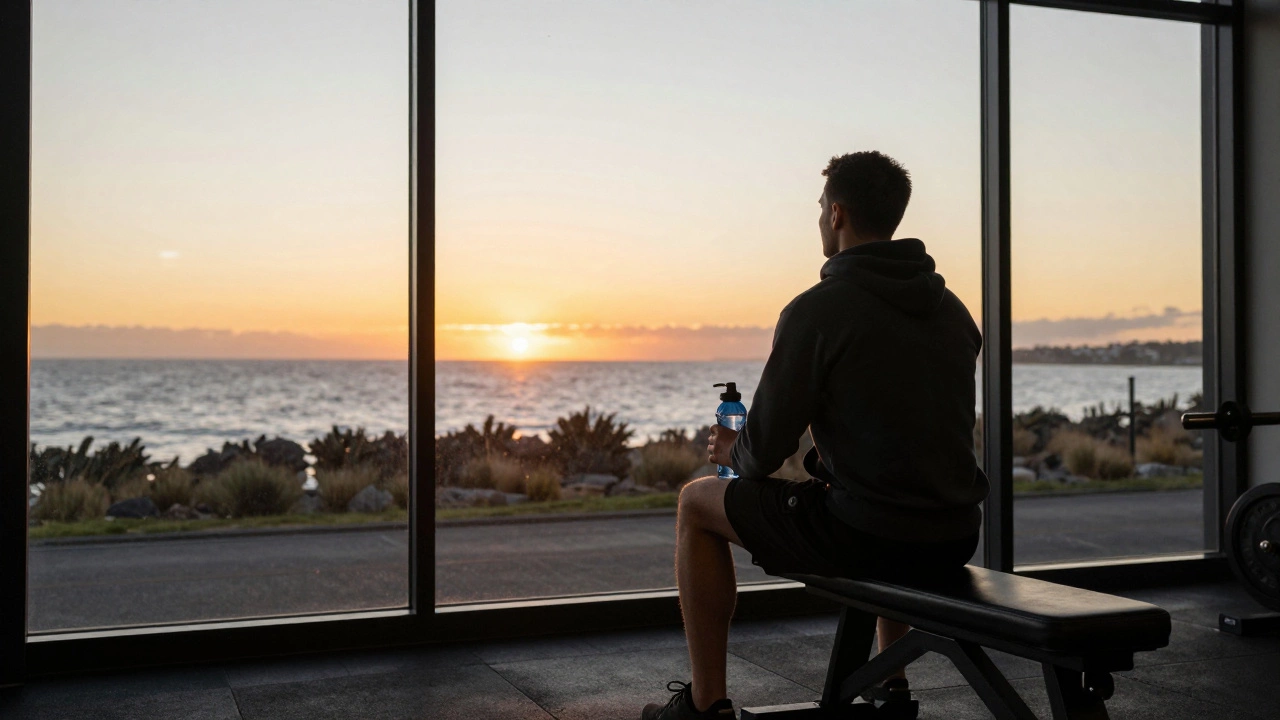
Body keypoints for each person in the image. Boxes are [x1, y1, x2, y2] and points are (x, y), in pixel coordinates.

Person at [641, 151, 988, 720]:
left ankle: (706, 708)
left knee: (695, 503)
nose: (820, 218)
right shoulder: (953, 311)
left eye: (821, 207)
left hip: (868, 537)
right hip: (953, 535)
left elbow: (761, 455)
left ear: (837, 214)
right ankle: (889, 687)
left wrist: (735, 448)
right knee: (884, 499)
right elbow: (907, 443)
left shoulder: (818, 311)